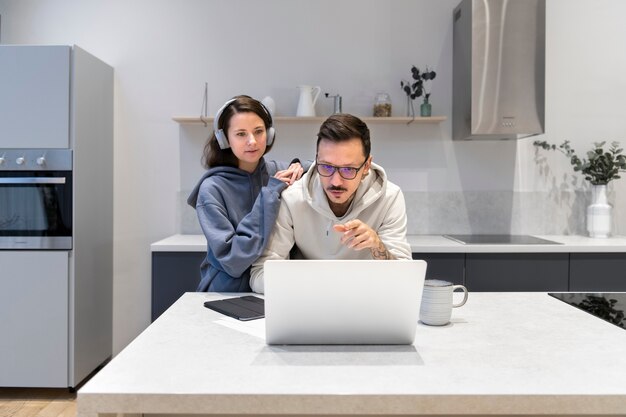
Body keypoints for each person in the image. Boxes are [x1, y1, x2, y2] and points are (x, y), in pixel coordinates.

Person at [250, 113, 411, 293]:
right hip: (309, 299)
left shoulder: (390, 197)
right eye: (326, 167)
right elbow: (259, 274)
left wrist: (377, 246)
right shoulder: (292, 198)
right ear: (317, 160)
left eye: (348, 169)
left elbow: (404, 279)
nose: (336, 181)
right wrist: (310, 285)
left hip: (366, 299)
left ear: (366, 166)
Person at [187, 95, 310, 292]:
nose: (252, 141)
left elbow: (325, 169)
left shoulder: (277, 171)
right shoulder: (212, 189)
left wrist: (299, 166)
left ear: (269, 134)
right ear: (224, 139)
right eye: (241, 134)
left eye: (258, 131)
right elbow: (234, 260)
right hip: (228, 293)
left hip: (276, 289)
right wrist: (269, 194)